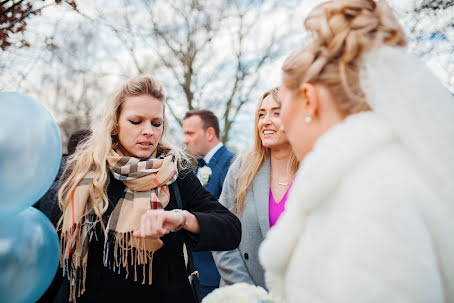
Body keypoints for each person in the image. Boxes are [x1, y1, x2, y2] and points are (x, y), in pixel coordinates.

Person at [259, 1, 454, 302]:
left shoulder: (370, 196)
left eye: (282, 106)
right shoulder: (377, 173)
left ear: (309, 100)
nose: (280, 122)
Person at [52, 76, 241, 303]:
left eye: (156, 123)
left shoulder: (175, 171)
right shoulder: (86, 173)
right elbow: (57, 258)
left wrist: (181, 219)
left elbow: (231, 230)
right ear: (115, 123)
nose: (148, 131)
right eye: (136, 121)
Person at [212, 88, 298, 289]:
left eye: (276, 113)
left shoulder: (313, 170)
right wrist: (248, 292)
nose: (266, 121)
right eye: (261, 114)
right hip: (242, 291)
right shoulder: (242, 168)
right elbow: (221, 234)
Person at [182, 109, 235, 300]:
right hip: (195, 272)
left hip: (218, 276)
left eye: (190, 133)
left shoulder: (231, 165)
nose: (185, 140)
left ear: (210, 133)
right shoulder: (194, 168)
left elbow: (234, 221)